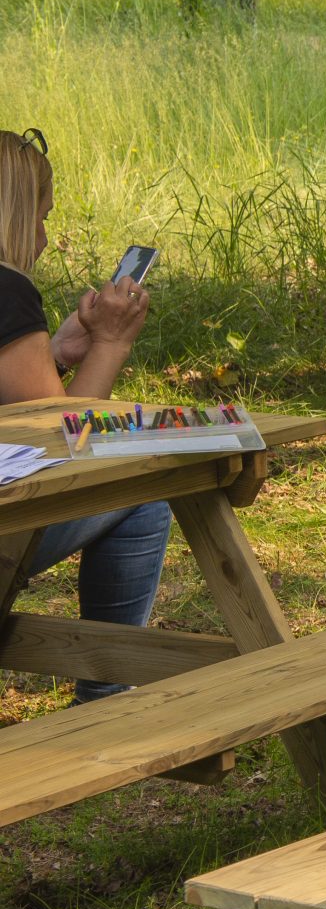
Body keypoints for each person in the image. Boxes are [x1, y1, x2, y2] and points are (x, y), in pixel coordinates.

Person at [0, 128, 170, 703]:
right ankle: (106, 693)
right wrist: (110, 345)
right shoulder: (4, 290)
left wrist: (49, 354)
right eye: (43, 217)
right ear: (15, 214)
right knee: (143, 489)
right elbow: (60, 437)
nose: (45, 237)